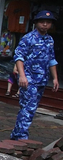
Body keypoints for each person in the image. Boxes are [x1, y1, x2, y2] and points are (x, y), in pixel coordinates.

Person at [10, 10, 59, 141]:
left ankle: (17, 133)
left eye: (48, 23)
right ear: (36, 23)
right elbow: (19, 57)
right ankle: (21, 137)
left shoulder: (49, 40)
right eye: (42, 22)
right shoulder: (29, 38)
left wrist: (55, 78)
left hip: (42, 79)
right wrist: (22, 76)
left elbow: (51, 60)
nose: (45, 25)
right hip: (29, 79)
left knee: (30, 107)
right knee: (28, 107)